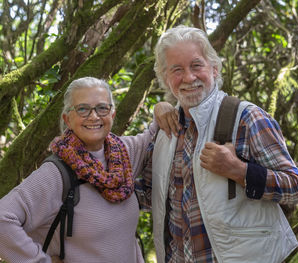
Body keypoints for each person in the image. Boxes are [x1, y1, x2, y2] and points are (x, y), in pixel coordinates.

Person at [135, 25, 298, 263]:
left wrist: (239, 170)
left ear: (214, 69)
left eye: (196, 65)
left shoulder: (247, 117)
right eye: (176, 70)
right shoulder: (164, 131)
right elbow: (148, 195)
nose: (189, 77)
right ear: (165, 78)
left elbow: (294, 188)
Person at [0, 77, 178, 263]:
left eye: (102, 108)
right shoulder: (56, 173)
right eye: (83, 109)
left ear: (112, 115)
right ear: (67, 119)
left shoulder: (125, 154)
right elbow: (2, 219)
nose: (94, 116)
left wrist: (162, 106)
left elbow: (157, 131)